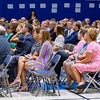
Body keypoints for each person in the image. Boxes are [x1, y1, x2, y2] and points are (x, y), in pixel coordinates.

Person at [69, 28, 100, 93]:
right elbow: (86, 57)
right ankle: (82, 83)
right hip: (96, 64)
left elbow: (87, 59)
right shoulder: (95, 44)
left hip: (95, 65)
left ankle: (81, 83)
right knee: (77, 66)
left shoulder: (91, 45)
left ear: (89, 35)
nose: (85, 35)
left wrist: (78, 61)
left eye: (86, 34)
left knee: (73, 66)